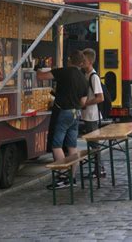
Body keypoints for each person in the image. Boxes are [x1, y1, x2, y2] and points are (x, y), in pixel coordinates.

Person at [37, 50, 88, 189]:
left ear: (70, 60)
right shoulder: (83, 78)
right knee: (72, 146)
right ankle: (72, 177)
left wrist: (37, 67)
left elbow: (42, 77)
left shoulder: (64, 71)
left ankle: (62, 177)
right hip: (76, 113)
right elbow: (83, 102)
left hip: (63, 112)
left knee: (56, 145)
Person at [80, 48, 106, 179]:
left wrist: (85, 103)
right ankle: (98, 168)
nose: (81, 62)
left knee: (94, 144)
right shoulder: (86, 74)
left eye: (83, 60)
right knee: (92, 144)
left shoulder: (93, 76)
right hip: (87, 115)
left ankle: (99, 169)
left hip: (92, 115)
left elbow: (100, 97)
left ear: (90, 61)